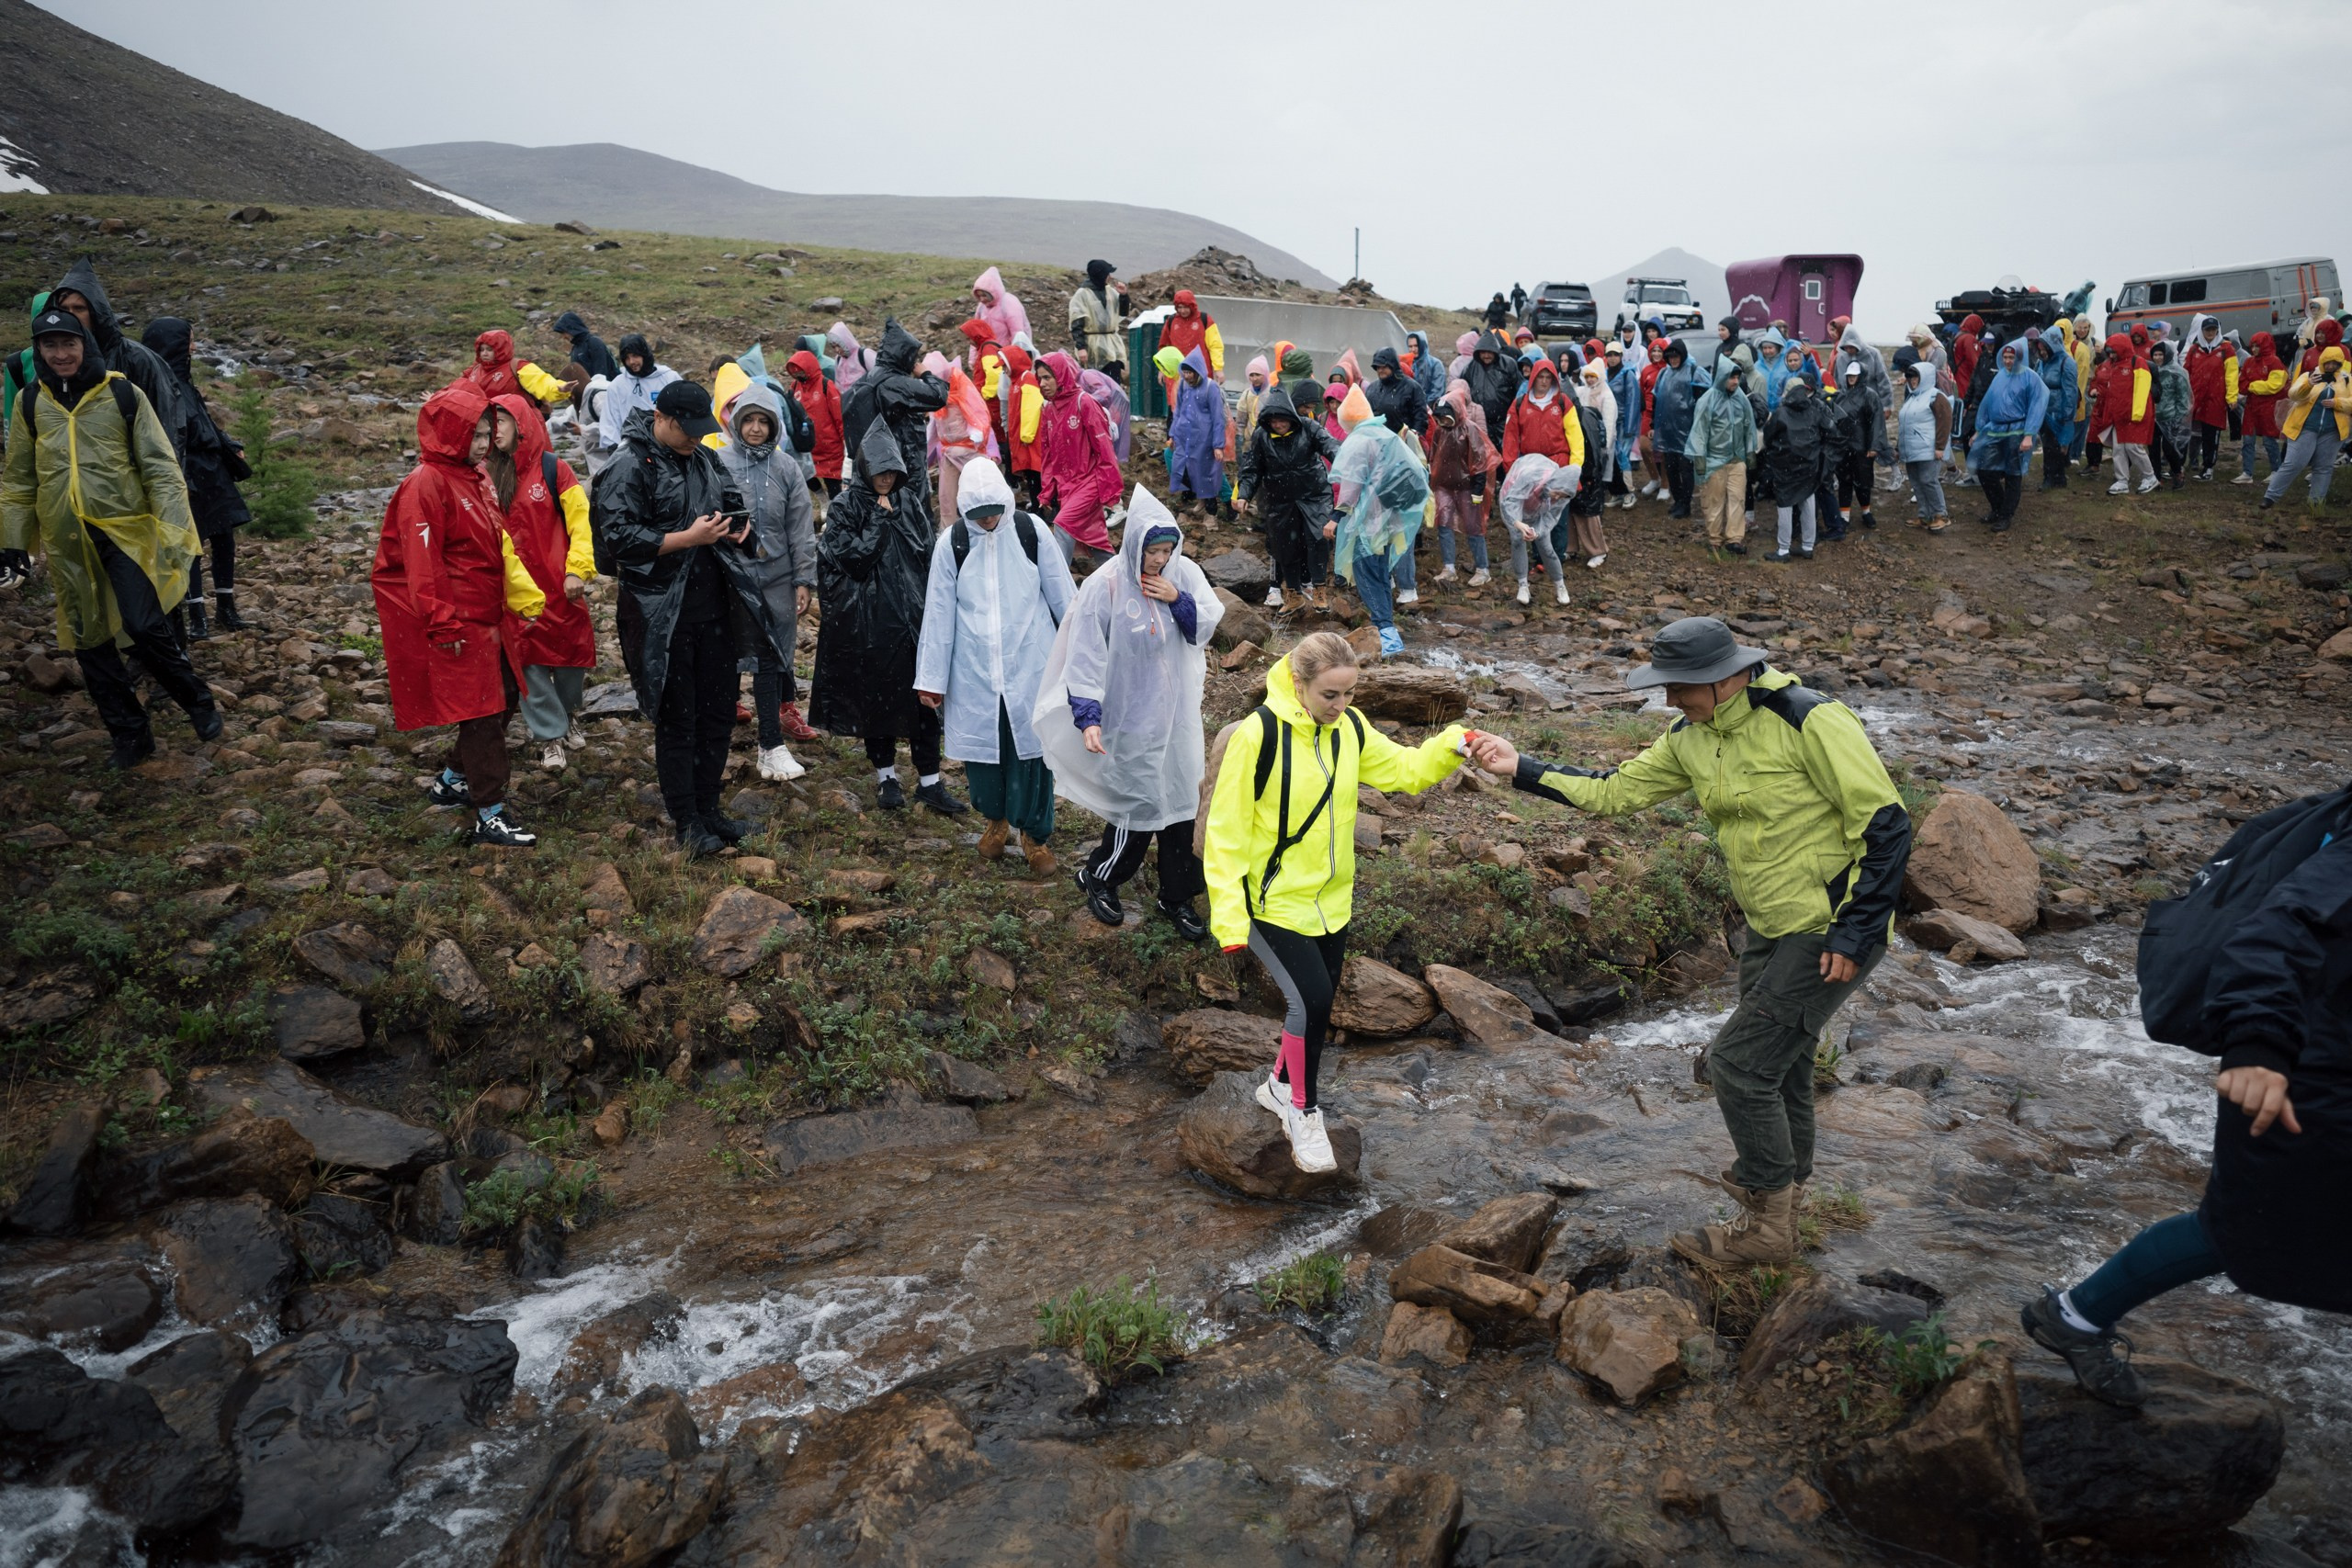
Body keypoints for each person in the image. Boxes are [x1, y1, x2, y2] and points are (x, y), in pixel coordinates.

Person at [1466, 617, 1910, 1267]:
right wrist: (1520, 767)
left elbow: (1887, 823)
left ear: (1726, 675)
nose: (1670, 699)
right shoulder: (1690, 736)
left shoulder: (1808, 719)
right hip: (1769, 925)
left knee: (1735, 1063)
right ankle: (1789, 1203)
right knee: (1780, 1061)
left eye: (1679, 686)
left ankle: (1766, 1223)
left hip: (1830, 924)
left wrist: (1859, 926)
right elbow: (1615, 791)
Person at [2021, 787, 2352, 1407]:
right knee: (2241, 1226)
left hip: (2316, 1057)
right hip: (2308, 1071)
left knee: (2247, 1225)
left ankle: (2075, 1314)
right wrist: (2259, 1044)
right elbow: (2277, 928)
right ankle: (2075, 1314)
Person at [1203, 631, 1470, 1172]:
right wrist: (1229, 917)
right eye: (1330, 694)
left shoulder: (1349, 728)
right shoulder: (1258, 736)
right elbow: (1224, 834)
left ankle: (1278, 1086)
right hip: (1269, 900)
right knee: (1314, 1002)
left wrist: (1452, 744)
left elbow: (1405, 771)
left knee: (1314, 1003)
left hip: (1331, 901)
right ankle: (1304, 1111)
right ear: (1298, 684)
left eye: (1349, 694)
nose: (1341, 705)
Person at [3, 305, 220, 772]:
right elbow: (19, 479)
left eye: (69, 343)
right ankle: (130, 735)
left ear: (86, 345)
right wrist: (14, 543)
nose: (61, 354)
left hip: (126, 532)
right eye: (50, 345)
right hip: (66, 540)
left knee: (143, 625)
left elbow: (160, 468)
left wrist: (173, 529)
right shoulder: (29, 403)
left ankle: (195, 697)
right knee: (90, 641)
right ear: (39, 350)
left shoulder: (122, 394)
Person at [596, 381, 786, 854]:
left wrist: (738, 528)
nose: (696, 440)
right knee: (678, 719)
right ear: (663, 418)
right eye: (688, 431)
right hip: (662, 613)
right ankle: (686, 821)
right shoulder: (628, 466)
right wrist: (686, 537)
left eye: (702, 432)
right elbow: (618, 538)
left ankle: (711, 809)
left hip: (714, 608)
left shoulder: (702, 457)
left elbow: (731, 502)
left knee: (718, 713)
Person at [1036, 487, 1223, 938]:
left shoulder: (1185, 574)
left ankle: (1175, 895)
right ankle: (1100, 877)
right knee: (1137, 804)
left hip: (1177, 719)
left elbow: (1207, 626)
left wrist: (1177, 597)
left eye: (1166, 550)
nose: (1159, 559)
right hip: (1131, 717)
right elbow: (1084, 654)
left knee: (1181, 804)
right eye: (1152, 550)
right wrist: (1089, 716)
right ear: (1133, 543)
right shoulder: (1106, 585)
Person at [914, 457, 1075, 877]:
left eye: (993, 512)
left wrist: (1082, 657)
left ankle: (1035, 835)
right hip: (974, 669)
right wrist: (931, 679)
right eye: (977, 514)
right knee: (985, 753)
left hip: (1030, 665)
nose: (987, 521)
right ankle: (996, 821)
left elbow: (1064, 599)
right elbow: (938, 614)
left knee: (1032, 752)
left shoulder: (1031, 531)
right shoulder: (952, 544)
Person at [810, 422, 962, 814]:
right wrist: (879, 523)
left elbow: (926, 552)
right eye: (879, 471)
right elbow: (849, 560)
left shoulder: (909, 502)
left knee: (923, 701)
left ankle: (930, 781)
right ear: (863, 469)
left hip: (914, 621)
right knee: (877, 702)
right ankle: (886, 778)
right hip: (871, 626)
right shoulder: (845, 506)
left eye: (891, 471)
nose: (885, 478)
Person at [483, 392, 595, 775]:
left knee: (570, 659)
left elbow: (580, 523)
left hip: (562, 585)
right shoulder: (482, 473)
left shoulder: (555, 469)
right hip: (512, 591)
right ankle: (550, 737)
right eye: (489, 424)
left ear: (522, 424)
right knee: (527, 662)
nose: (494, 432)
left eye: (502, 422)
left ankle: (568, 712)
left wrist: (578, 570)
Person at [715, 382, 820, 778]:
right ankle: (716, 737)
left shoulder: (787, 468)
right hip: (731, 581)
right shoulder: (717, 462)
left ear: (775, 427)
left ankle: (770, 744)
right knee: (726, 656)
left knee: (771, 662)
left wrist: (803, 579)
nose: (756, 428)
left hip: (777, 580)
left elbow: (800, 528)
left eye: (764, 421)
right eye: (749, 420)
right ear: (737, 423)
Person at [138, 317, 250, 637]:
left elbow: (204, 423)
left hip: (211, 470)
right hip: (185, 473)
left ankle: (227, 609)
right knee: (191, 544)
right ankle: (197, 616)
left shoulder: (183, 380)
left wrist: (229, 445)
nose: (194, 346)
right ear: (173, 343)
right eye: (189, 339)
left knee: (224, 537)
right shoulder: (156, 384)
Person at [47, 262, 185, 463]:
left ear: (95, 312)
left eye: (79, 308)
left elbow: (166, 429)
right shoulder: (52, 361)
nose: (71, 315)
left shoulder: (137, 359)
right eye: (64, 308)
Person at [1329, 387, 1428, 655]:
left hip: (1369, 521)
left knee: (1366, 575)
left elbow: (1351, 486)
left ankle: (1387, 633)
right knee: (1381, 575)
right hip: (1390, 519)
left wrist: (1336, 517)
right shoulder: (1385, 435)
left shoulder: (1359, 441)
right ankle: (1386, 627)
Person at [1237, 385, 1338, 611]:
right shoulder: (1262, 436)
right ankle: (1293, 595)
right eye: (1273, 421)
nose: (1278, 425)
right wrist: (1244, 494)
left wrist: (1341, 458)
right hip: (1280, 499)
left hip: (1314, 494)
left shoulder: (1309, 427)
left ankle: (1319, 589)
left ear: (1291, 417)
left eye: (1282, 420)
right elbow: (1251, 468)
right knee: (1285, 546)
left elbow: (1330, 445)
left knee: (1318, 539)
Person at [841, 318, 948, 494]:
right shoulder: (893, 383)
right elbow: (938, 395)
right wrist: (926, 373)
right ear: (903, 354)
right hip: (903, 462)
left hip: (878, 463)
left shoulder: (870, 378)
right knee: (910, 513)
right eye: (912, 356)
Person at [1035, 351, 1121, 559]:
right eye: (1040, 379)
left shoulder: (1085, 403)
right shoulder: (1048, 410)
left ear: (1061, 375)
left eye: (1048, 377)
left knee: (1063, 525)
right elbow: (1048, 455)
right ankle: (1119, 583)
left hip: (1090, 483)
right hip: (1068, 486)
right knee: (1094, 541)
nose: (1043, 383)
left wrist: (1111, 489)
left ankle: (1055, 583)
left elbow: (1104, 449)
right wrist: (1047, 491)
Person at [1966, 337, 2049, 532]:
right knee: (1985, 470)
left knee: (2013, 473)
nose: (2008, 361)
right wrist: (1979, 429)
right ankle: (1998, 507)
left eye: (2011, 357)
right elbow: (1987, 402)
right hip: (1996, 430)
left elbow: (2037, 405)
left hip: (2018, 431)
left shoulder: (2031, 378)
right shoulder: (2000, 376)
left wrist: (2029, 434)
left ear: (2019, 357)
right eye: (2005, 357)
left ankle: (2005, 515)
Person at [2260, 344, 2350, 511]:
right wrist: (2308, 384)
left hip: (2332, 431)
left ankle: (2316, 503)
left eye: (2335, 363)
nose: (2331, 366)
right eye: (2328, 362)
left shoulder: (2346, 380)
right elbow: (2293, 394)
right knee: (2293, 463)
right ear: (2322, 361)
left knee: (2324, 467)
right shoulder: (2309, 375)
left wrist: (2337, 403)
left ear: (2340, 364)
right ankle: (2270, 497)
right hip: (2305, 427)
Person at [1685, 353, 1756, 554]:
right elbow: (1699, 431)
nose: (1735, 381)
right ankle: (1714, 538)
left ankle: (1734, 539)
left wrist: (1750, 453)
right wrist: (1700, 458)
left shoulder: (1741, 399)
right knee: (1714, 500)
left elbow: (1749, 426)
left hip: (1737, 459)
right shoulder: (1708, 400)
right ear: (1722, 377)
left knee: (1737, 499)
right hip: (1714, 460)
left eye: (1737, 378)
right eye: (1731, 378)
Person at [1424, 383, 1492, 585]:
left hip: (1468, 487)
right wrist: (1433, 482)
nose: (1443, 422)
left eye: (1446, 417)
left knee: (1474, 527)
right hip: (1444, 486)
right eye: (1439, 418)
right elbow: (1434, 457)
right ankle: (1449, 568)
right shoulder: (1440, 431)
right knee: (1444, 525)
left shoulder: (1471, 430)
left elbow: (1480, 461)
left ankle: (1482, 568)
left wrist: (1478, 490)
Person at [1498, 455, 1576, 606]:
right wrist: (1517, 523)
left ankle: (1560, 586)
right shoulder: (1530, 477)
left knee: (1545, 546)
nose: (1558, 497)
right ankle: (1522, 586)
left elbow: (1551, 518)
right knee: (1517, 539)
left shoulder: (1562, 496)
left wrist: (1538, 532)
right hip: (1516, 502)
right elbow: (1510, 501)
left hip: (1538, 509)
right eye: (1558, 493)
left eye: (1563, 496)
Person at [2091, 333, 2156, 496]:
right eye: (2109, 352)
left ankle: (2150, 476)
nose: (2111, 354)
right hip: (2118, 414)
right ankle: (2121, 480)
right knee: (2118, 449)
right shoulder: (2114, 364)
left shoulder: (2138, 362)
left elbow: (2143, 389)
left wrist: (2137, 413)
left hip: (2133, 414)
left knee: (2133, 447)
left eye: (2113, 351)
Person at [1165, 347, 1227, 516]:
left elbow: (1218, 418)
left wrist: (1218, 445)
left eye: (1190, 373)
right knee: (1189, 472)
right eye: (1184, 372)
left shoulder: (1210, 387)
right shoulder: (1184, 386)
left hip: (1205, 440)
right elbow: (1178, 412)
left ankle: (1211, 514)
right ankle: (1201, 503)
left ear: (1198, 371)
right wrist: (1173, 435)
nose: (1187, 376)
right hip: (1185, 439)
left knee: (1207, 474)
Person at [1652, 340, 1709, 519]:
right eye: (1670, 357)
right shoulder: (1664, 373)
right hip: (1667, 432)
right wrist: (1654, 425)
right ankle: (1677, 501)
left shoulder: (1694, 372)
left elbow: (1703, 400)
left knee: (1686, 469)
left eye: (1676, 356)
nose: (1673, 359)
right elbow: (1656, 400)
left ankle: (1685, 504)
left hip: (1687, 432)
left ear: (1682, 355)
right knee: (1670, 469)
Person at [1896, 360, 1953, 531]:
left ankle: (1940, 515)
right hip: (1912, 450)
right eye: (1910, 377)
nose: (1913, 381)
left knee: (1928, 480)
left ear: (1926, 377)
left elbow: (1945, 422)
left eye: (1916, 377)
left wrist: (1940, 447)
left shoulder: (1936, 396)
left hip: (1929, 449)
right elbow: (1904, 425)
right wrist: (1899, 448)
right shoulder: (1911, 398)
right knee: (1916, 482)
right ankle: (1925, 516)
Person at [600, 334, 681, 453]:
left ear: (644, 354)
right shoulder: (617, 386)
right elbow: (610, 420)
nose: (631, 362)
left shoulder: (669, 378)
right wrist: (614, 448)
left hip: (667, 448)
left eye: (635, 356)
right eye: (627, 358)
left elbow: (683, 412)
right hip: (632, 450)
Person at [2182, 315, 2239, 480]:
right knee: (2187, 433)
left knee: (2210, 434)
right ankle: (2180, 465)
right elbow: (2186, 373)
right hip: (2196, 398)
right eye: (2207, 330)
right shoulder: (2194, 349)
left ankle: (2208, 467)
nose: (2210, 333)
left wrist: (2232, 397)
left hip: (2215, 399)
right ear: (2202, 331)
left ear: (2218, 331)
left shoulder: (2226, 350)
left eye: (2213, 329)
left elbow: (2231, 375)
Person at [1828, 360, 1883, 528]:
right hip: (1844, 447)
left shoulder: (1870, 395)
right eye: (1849, 375)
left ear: (1861, 376)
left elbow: (1876, 422)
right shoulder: (1841, 395)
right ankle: (1844, 516)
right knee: (1845, 481)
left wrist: (1873, 446)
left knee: (1863, 482)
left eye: (1854, 375)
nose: (1851, 378)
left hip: (1862, 447)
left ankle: (1866, 512)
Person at [786, 349, 845, 500]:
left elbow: (839, 416)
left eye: (801, 372)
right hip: (807, 447)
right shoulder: (794, 387)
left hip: (830, 448)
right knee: (806, 476)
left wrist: (845, 442)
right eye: (796, 373)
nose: (799, 376)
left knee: (834, 486)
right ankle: (823, 500)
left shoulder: (826, 385)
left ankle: (835, 514)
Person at [2235, 332, 2289, 486]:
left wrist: (2252, 385)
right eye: (2252, 346)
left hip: (2268, 407)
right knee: (2248, 439)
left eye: (2257, 346)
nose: (2254, 349)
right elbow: (2242, 384)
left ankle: (2276, 470)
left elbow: (2274, 386)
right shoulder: (2249, 362)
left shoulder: (2275, 362)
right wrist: (2257, 386)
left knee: (2269, 440)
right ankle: (2247, 472)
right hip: (2252, 406)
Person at [2030, 328, 2079, 491]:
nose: (2042, 351)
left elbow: (2070, 392)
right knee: (2048, 445)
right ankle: (2056, 477)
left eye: (2045, 348)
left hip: (2058, 411)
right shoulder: (2042, 363)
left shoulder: (2067, 363)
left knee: (2055, 446)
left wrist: (2066, 416)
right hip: (2044, 411)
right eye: (2040, 348)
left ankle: (2051, 478)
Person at [1069, 260, 1128, 374]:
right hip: (1092, 347)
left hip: (1112, 346)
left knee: (1113, 383)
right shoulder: (1082, 295)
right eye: (1107, 274)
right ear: (1100, 275)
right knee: (1094, 383)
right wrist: (1081, 348)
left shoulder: (1110, 292)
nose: (1110, 277)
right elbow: (1077, 323)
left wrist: (1124, 296)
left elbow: (1123, 312)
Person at [2148, 341, 2193, 491]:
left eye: (2161, 354)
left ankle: (2177, 472)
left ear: (2167, 355)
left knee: (2169, 449)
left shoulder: (2177, 373)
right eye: (2155, 354)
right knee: (2153, 448)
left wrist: (2178, 418)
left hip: (2170, 417)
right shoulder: (2152, 371)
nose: (2158, 358)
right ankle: (2156, 477)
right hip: (2154, 416)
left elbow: (2182, 398)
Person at [1606, 342, 1643, 511]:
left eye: (1615, 355)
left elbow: (1633, 401)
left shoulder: (1628, 374)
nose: (1612, 358)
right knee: (1611, 458)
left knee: (1623, 458)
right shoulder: (1605, 374)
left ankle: (1629, 492)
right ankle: (1617, 491)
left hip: (1623, 424)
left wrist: (1629, 427)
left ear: (1621, 356)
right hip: (1610, 423)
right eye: (1609, 355)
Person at [1365, 346, 1428, 437]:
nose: (1380, 370)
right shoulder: (1372, 389)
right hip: (1377, 442)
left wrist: (1413, 440)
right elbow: (1366, 417)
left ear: (1393, 365)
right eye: (1378, 367)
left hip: (1403, 443)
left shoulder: (1412, 388)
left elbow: (1420, 419)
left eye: (1384, 366)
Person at [969, 266, 1031, 350]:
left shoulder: (1009, 304)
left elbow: (1018, 334)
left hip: (1007, 355)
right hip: (988, 354)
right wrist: (972, 361)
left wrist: (1015, 357)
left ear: (992, 293)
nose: (982, 299)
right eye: (979, 296)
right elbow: (976, 335)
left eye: (984, 295)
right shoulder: (981, 308)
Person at [551, 311, 621, 382]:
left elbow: (601, 374)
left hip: (606, 389)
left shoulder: (594, 342)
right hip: (589, 390)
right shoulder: (576, 348)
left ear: (571, 328)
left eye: (564, 332)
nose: (563, 337)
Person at [828, 321, 876, 400]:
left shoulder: (864, 355)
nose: (837, 350)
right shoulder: (839, 359)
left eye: (839, 345)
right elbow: (838, 384)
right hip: (847, 405)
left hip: (866, 402)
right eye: (833, 347)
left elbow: (880, 375)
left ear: (846, 341)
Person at [1405, 331, 1447, 410]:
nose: (1413, 349)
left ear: (1422, 345)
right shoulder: (1406, 365)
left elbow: (1437, 391)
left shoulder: (1435, 364)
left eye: (1416, 346)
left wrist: (1422, 406)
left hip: (1430, 409)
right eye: (1410, 346)